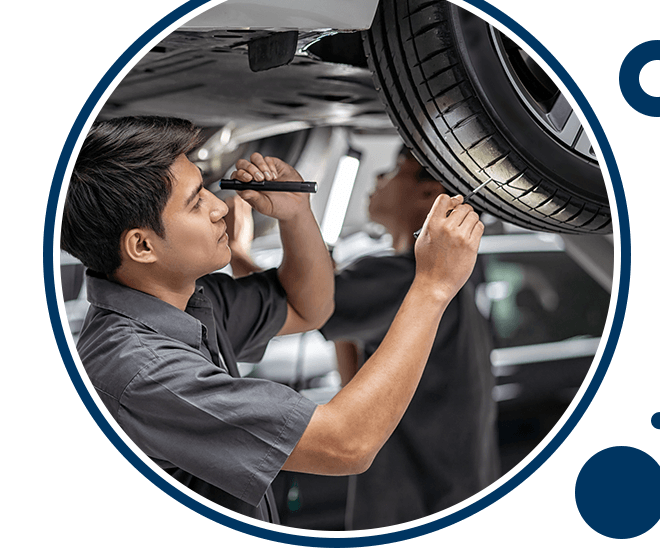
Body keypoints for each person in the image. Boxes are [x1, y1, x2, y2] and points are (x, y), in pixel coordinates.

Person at [61, 116, 484, 525]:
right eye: (195, 202)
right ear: (141, 245)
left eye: (206, 190)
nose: (217, 207)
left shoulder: (191, 303)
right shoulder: (142, 373)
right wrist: (432, 287)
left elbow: (308, 307)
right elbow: (346, 444)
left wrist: (296, 214)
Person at [320, 146, 500, 529]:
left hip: (411, 507)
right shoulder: (457, 279)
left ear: (428, 193)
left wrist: (240, 249)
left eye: (392, 169)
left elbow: (288, 307)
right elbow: (355, 388)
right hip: (448, 498)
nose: (378, 180)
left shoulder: (404, 278)